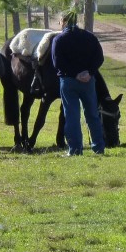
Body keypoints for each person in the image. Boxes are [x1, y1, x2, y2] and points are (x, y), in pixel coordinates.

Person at [51, 10, 106, 156]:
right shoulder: (90, 37)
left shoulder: (59, 39)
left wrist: (74, 74)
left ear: (64, 21)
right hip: (88, 81)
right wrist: (89, 72)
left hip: (68, 81)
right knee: (92, 114)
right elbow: (99, 57)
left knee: (72, 115)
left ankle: (75, 149)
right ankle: (98, 147)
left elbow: (57, 63)